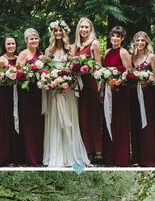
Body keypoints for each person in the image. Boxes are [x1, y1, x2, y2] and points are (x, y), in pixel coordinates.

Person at [42, 20, 90, 167]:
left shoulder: (72, 49)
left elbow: (74, 69)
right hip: (54, 91)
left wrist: (67, 80)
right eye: (55, 31)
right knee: (56, 120)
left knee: (69, 120)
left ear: (64, 33)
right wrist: (51, 80)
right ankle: (56, 154)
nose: (58, 33)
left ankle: (71, 156)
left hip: (68, 90)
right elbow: (45, 71)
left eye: (60, 31)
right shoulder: (48, 51)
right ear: (52, 33)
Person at [73, 17, 102, 162]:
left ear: (91, 29)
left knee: (90, 116)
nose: (84, 30)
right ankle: (81, 148)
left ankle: (92, 151)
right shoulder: (76, 46)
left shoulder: (94, 44)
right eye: (81, 27)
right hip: (77, 84)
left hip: (89, 83)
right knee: (80, 116)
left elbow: (98, 66)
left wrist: (86, 69)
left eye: (86, 27)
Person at [102, 26, 131, 166]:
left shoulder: (124, 52)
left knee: (119, 122)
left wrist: (119, 81)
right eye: (113, 36)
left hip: (119, 92)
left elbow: (128, 73)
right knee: (108, 120)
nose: (115, 39)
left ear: (122, 38)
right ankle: (109, 157)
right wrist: (102, 90)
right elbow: (103, 71)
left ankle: (121, 157)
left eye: (118, 36)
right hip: (108, 90)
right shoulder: (107, 52)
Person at [0, 36, 24, 166]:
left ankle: (16, 154)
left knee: (16, 123)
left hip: (18, 95)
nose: (11, 46)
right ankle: (4, 156)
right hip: (5, 96)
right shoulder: (2, 59)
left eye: (13, 43)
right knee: (6, 123)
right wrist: (6, 77)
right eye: (8, 44)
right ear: (4, 46)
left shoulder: (18, 58)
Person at [129, 31, 155, 167]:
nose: (140, 43)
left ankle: (148, 158)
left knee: (147, 125)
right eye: (137, 40)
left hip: (147, 95)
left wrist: (149, 80)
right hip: (133, 94)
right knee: (135, 124)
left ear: (146, 42)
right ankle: (136, 158)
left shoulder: (151, 57)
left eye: (142, 41)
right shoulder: (131, 57)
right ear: (134, 42)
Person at [17, 28, 44, 166]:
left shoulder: (41, 54)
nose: (34, 41)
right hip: (27, 93)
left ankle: (39, 154)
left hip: (39, 93)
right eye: (31, 39)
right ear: (26, 40)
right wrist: (29, 75)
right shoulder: (23, 54)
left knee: (39, 123)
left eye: (35, 38)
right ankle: (30, 156)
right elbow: (17, 73)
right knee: (28, 123)